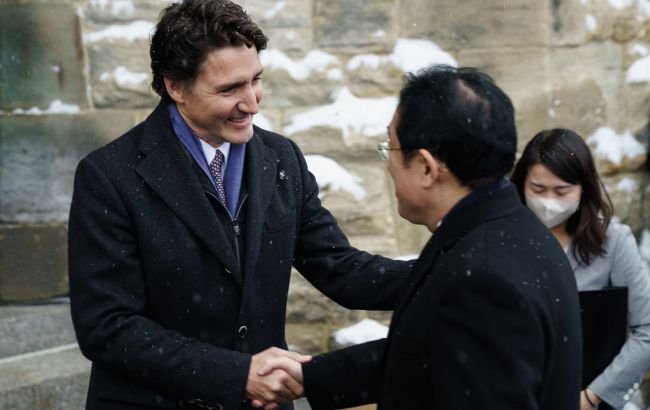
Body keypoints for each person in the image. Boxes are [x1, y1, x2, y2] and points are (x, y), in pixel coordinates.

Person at [67, 1, 412, 409]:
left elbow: (340, 267)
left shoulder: (282, 158)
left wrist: (446, 271)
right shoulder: (107, 176)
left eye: (256, 80)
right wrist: (234, 374)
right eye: (229, 89)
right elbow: (107, 327)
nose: (252, 102)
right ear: (176, 87)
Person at [254, 65, 582, 410]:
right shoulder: (516, 232)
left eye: (391, 149)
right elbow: (428, 355)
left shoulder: (481, 278)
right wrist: (312, 377)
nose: (389, 165)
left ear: (427, 167)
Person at [510, 128, 650, 410]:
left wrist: (591, 397)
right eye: (538, 189)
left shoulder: (613, 242)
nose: (548, 202)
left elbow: (647, 329)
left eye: (561, 191)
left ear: (583, 188)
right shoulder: (506, 239)